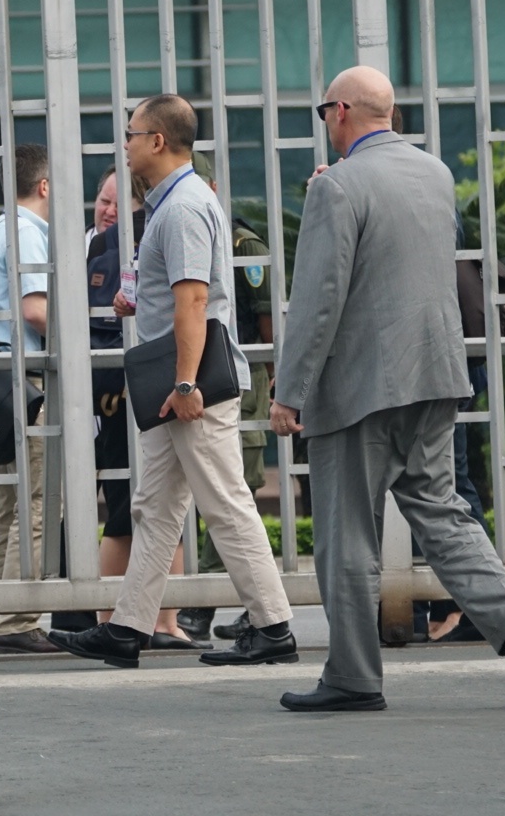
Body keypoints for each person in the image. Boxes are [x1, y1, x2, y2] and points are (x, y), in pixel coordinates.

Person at [270, 65, 505, 712]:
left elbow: (319, 300)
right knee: (442, 510)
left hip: (362, 385)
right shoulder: (435, 174)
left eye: (323, 112)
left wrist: (290, 392)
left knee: (347, 533)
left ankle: (352, 676)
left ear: (341, 111)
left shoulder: (336, 188)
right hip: (434, 373)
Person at [50, 97, 294, 672]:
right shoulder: (173, 204)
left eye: (132, 133)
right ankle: (128, 628)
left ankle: (274, 625)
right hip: (174, 386)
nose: (126, 143)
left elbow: (193, 301)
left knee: (225, 502)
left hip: (188, 388)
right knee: (154, 507)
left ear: (158, 141)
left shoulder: (182, 208)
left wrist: (187, 385)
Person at [51, 177, 199, 649]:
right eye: (103, 200)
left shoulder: (147, 232)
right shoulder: (98, 245)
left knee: (160, 505)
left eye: (120, 202)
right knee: (138, 507)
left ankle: (154, 621)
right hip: (127, 392)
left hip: (149, 386)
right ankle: (132, 621)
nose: (109, 211)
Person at [179, 156, 275, 644]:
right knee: (197, 495)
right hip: (198, 376)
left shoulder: (243, 243)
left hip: (239, 376)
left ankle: (213, 604)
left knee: (234, 488)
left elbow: (266, 324)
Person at [0, 144, 57, 655]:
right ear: (44, 186)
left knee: (10, 502)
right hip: (27, 379)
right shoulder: (27, 230)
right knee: (39, 501)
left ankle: (6, 614)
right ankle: (18, 619)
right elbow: (36, 310)